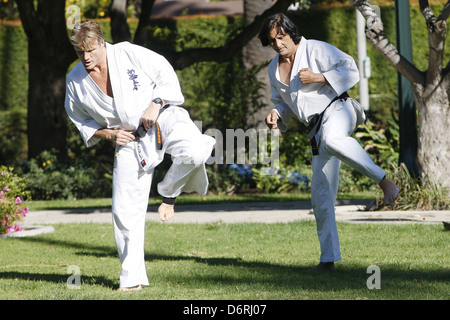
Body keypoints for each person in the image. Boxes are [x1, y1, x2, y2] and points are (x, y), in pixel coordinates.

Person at [64, 20, 215, 290]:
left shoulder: (127, 53)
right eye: (79, 52)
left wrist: (156, 103)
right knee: (124, 211)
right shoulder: (75, 80)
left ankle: (168, 194)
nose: (85, 57)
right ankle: (131, 279)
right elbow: (79, 119)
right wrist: (107, 134)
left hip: (163, 120)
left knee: (196, 150)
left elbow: (165, 74)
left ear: (101, 42)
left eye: (90, 50)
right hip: (129, 140)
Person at [258, 13, 399, 271]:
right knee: (321, 198)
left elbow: (350, 68)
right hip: (315, 130)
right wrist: (276, 114)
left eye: (282, 37)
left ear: (290, 33)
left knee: (335, 139)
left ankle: (385, 182)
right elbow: (285, 102)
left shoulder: (316, 49)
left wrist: (319, 77)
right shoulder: (273, 70)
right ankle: (328, 260)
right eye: (273, 41)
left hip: (338, 110)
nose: (279, 44)